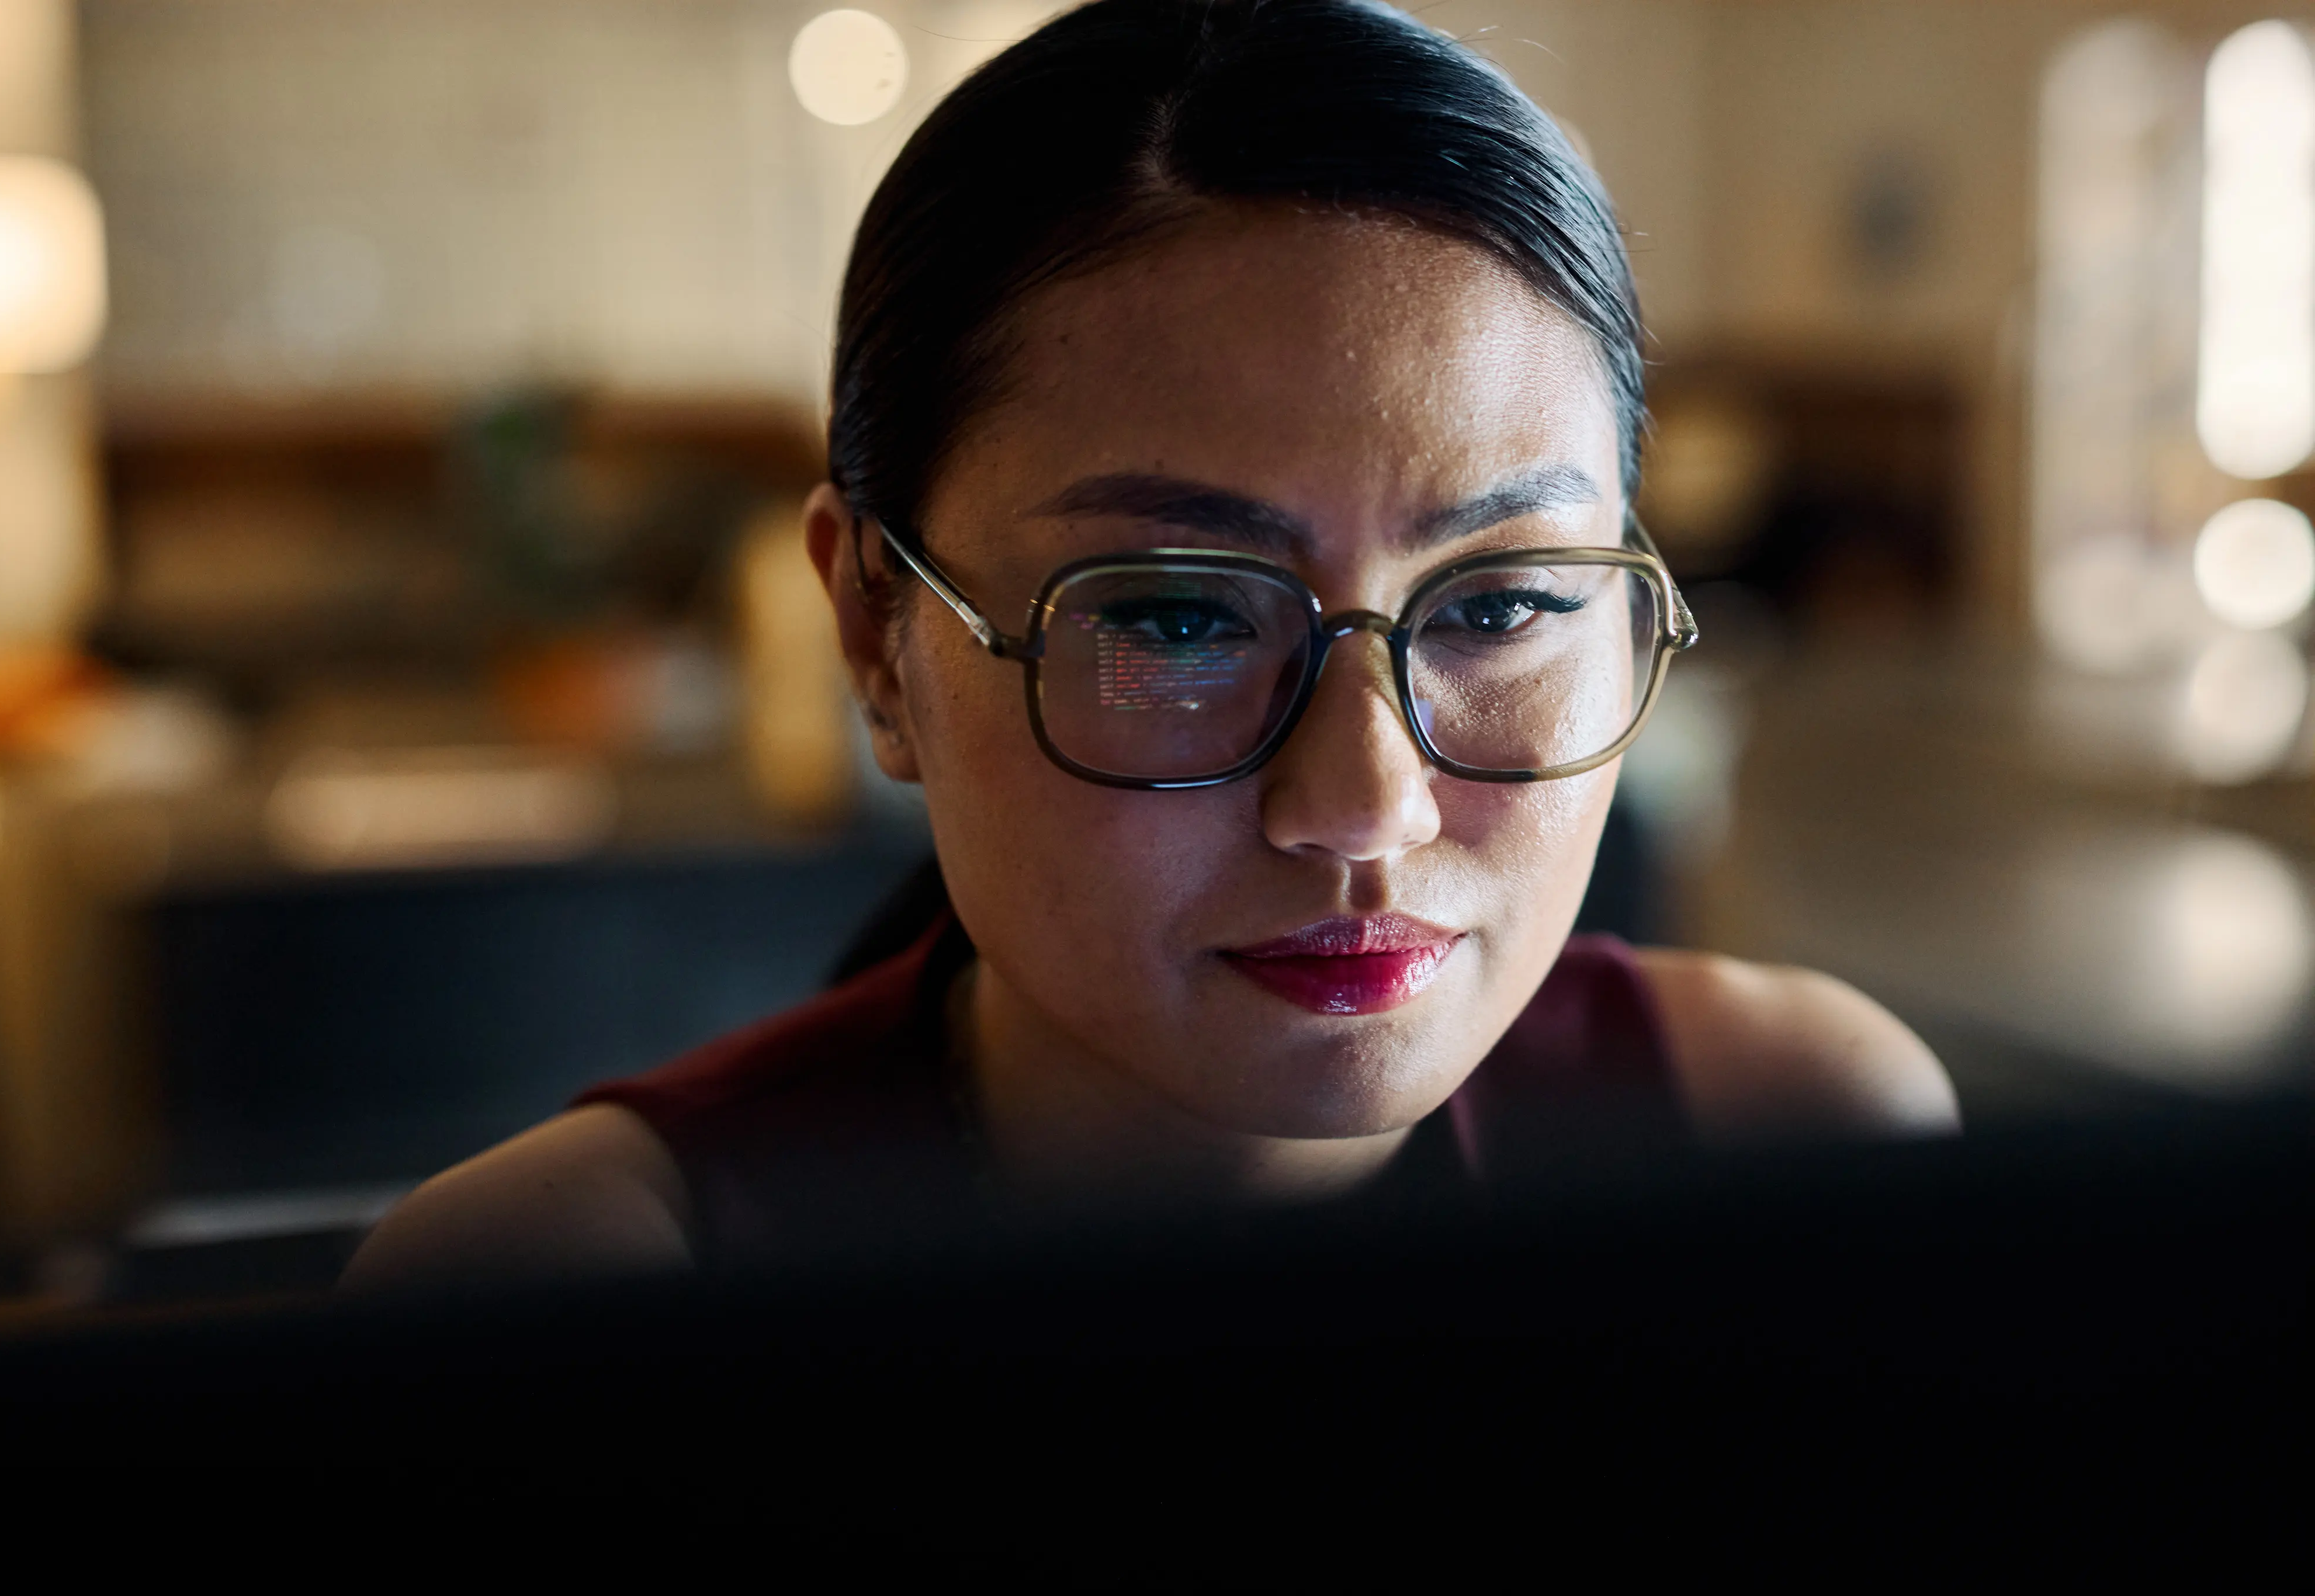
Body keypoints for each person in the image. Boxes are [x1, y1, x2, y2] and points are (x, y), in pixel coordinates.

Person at [345, 0, 1953, 1289]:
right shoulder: (575, 1290)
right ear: (874, 631)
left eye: (1498, 605)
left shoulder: (1786, 1143)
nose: (1363, 802)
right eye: (1178, 614)